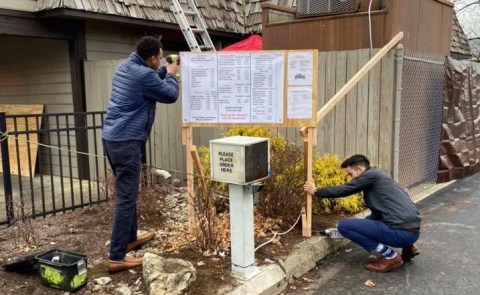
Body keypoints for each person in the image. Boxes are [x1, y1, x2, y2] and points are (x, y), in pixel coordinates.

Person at [102, 36, 179, 272]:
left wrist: (163, 70)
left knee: (128, 192)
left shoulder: (127, 67)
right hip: (126, 141)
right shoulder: (144, 75)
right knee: (126, 197)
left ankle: (130, 239)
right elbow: (169, 95)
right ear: (153, 58)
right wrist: (173, 74)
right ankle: (116, 256)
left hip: (112, 138)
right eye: (161, 56)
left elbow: (150, 80)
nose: (162, 59)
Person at [304, 154, 421, 273]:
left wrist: (316, 191)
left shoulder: (370, 176)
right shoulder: (380, 176)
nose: (350, 179)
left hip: (401, 234)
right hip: (413, 232)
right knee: (368, 220)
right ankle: (409, 247)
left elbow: (344, 190)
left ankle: (390, 256)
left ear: (360, 169)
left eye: (351, 174)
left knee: (343, 227)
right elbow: (383, 212)